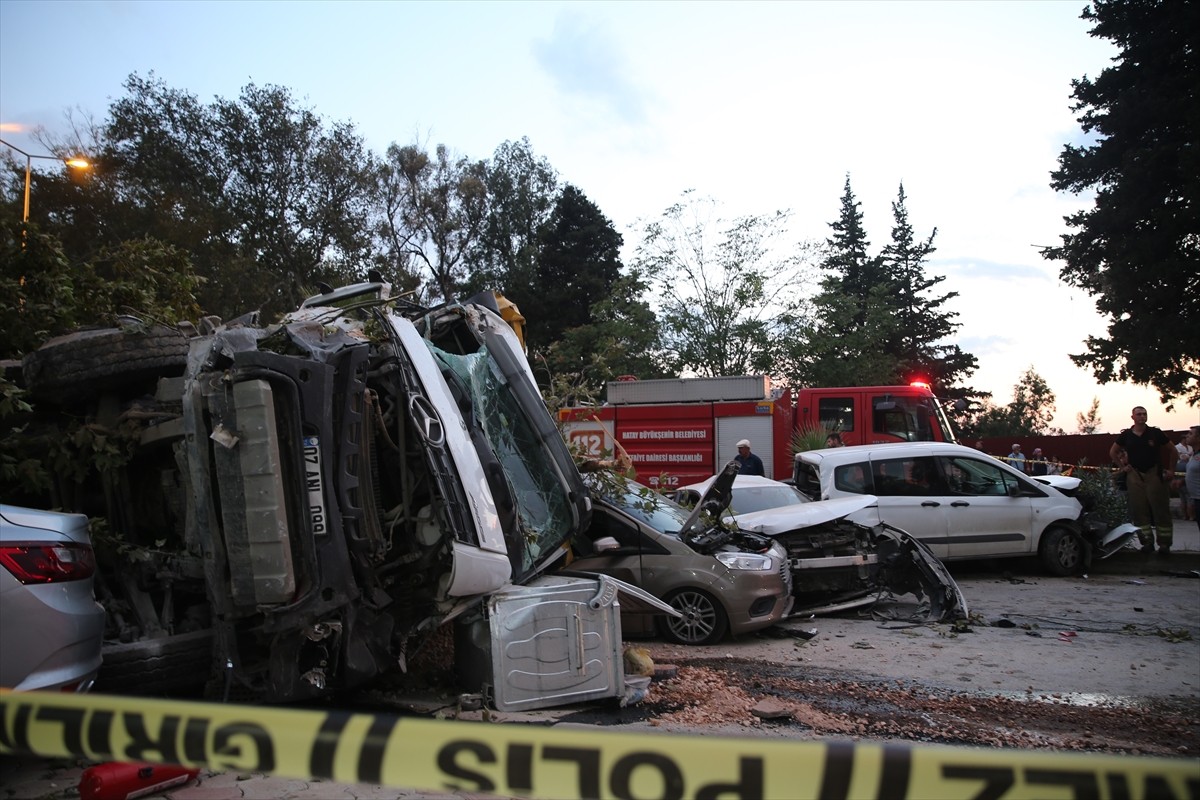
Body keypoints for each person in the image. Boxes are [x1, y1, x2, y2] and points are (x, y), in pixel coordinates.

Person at [1110, 406, 1176, 555]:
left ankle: (1164, 544)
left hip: (1154, 473)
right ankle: (1146, 543)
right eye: (1139, 414)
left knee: (1161, 509)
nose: (1142, 416)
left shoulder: (1155, 433)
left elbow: (1173, 450)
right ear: (1132, 417)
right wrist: (1122, 467)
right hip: (1135, 475)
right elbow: (1113, 451)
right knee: (1139, 510)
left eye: (1144, 414)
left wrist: (1171, 469)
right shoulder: (1126, 435)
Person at [1176, 432, 1194, 521]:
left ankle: (1189, 515)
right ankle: (1187, 515)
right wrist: (1189, 455)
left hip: (1188, 468)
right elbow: (1182, 457)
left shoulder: (1190, 447)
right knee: (1185, 496)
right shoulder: (1178, 447)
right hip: (1181, 468)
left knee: (1187, 497)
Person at [1185, 426, 1200, 532]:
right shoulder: (1194, 454)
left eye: (1190, 434)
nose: (1187, 436)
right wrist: (1181, 481)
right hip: (1196, 498)